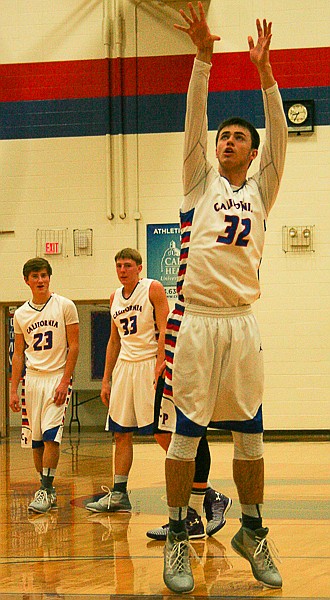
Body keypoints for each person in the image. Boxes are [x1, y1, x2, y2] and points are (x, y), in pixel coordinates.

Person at [160, 2, 287, 593]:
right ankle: (179, 537)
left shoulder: (263, 189)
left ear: (254, 151)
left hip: (242, 324)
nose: (229, 140)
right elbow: (194, 115)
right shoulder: (197, 180)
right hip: (198, 320)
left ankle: (253, 529)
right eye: (224, 136)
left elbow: (280, 132)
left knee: (252, 436)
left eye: (240, 137)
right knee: (187, 434)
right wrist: (203, 59)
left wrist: (266, 75)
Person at [85, 248, 169, 513]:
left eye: (128, 265)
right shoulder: (114, 298)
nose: (123, 270)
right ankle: (119, 493)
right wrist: (106, 379)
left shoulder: (153, 288)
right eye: (119, 266)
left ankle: (199, 485)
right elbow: (114, 340)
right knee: (121, 433)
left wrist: (160, 362)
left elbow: (165, 328)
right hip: (124, 368)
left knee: (161, 432)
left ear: (139, 268)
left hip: (148, 365)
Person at [10, 257, 79, 514]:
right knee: (36, 441)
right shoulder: (20, 314)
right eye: (35, 276)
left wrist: (65, 380)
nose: (40, 280)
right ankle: (45, 489)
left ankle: (47, 489)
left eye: (44, 275)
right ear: (26, 280)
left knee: (52, 436)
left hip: (57, 377)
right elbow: (18, 354)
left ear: (50, 277)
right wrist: (13, 388)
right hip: (33, 379)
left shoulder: (65, 306)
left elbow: (75, 346)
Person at [147, 376, 232, 540]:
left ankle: (193, 515)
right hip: (171, 359)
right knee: (162, 432)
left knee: (192, 431)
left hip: (193, 363)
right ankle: (210, 495)